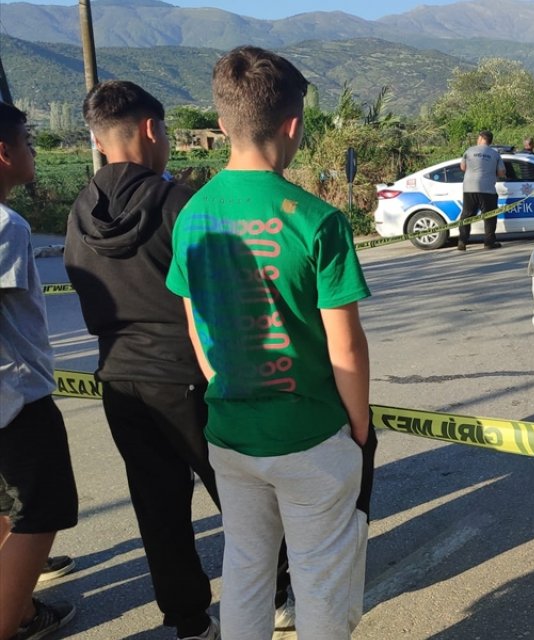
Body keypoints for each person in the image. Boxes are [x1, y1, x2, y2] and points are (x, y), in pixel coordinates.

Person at [65, 80, 296, 640]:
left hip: (119, 379)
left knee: (157, 507)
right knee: (240, 493)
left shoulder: (78, 212)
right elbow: (219, 291)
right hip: (189, 376)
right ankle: (279, 593)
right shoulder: (178, 203)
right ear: (150, 129)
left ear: (99, 140)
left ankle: (190, 622)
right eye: (165, 130)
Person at [166, 46, 376, 640]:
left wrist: (226, 389)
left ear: (224, 123)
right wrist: (358, 430)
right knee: (320, 579)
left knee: (247, 570)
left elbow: (197, 326)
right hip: (311, 436)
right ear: (292, 125)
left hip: (230, 434)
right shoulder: (318, 220)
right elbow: (348, 349)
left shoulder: (192, 216)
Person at [0, 101, 79, 640]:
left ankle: (22, 610)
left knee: (7, 505)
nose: (32, 150)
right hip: (15, 399)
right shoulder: (6, 225)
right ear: (2, 152)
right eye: (28, 141)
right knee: (40, 513)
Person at [459, 130, 506, 250]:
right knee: (490, 216)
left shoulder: (469, 151)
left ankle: (462, 242)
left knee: (466, 215)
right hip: (487, 189)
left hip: (469, 188)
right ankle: (489, 242)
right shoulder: (495, 154)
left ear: (480, 138)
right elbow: (501, 173)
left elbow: (462, 167)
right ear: (490, 141)